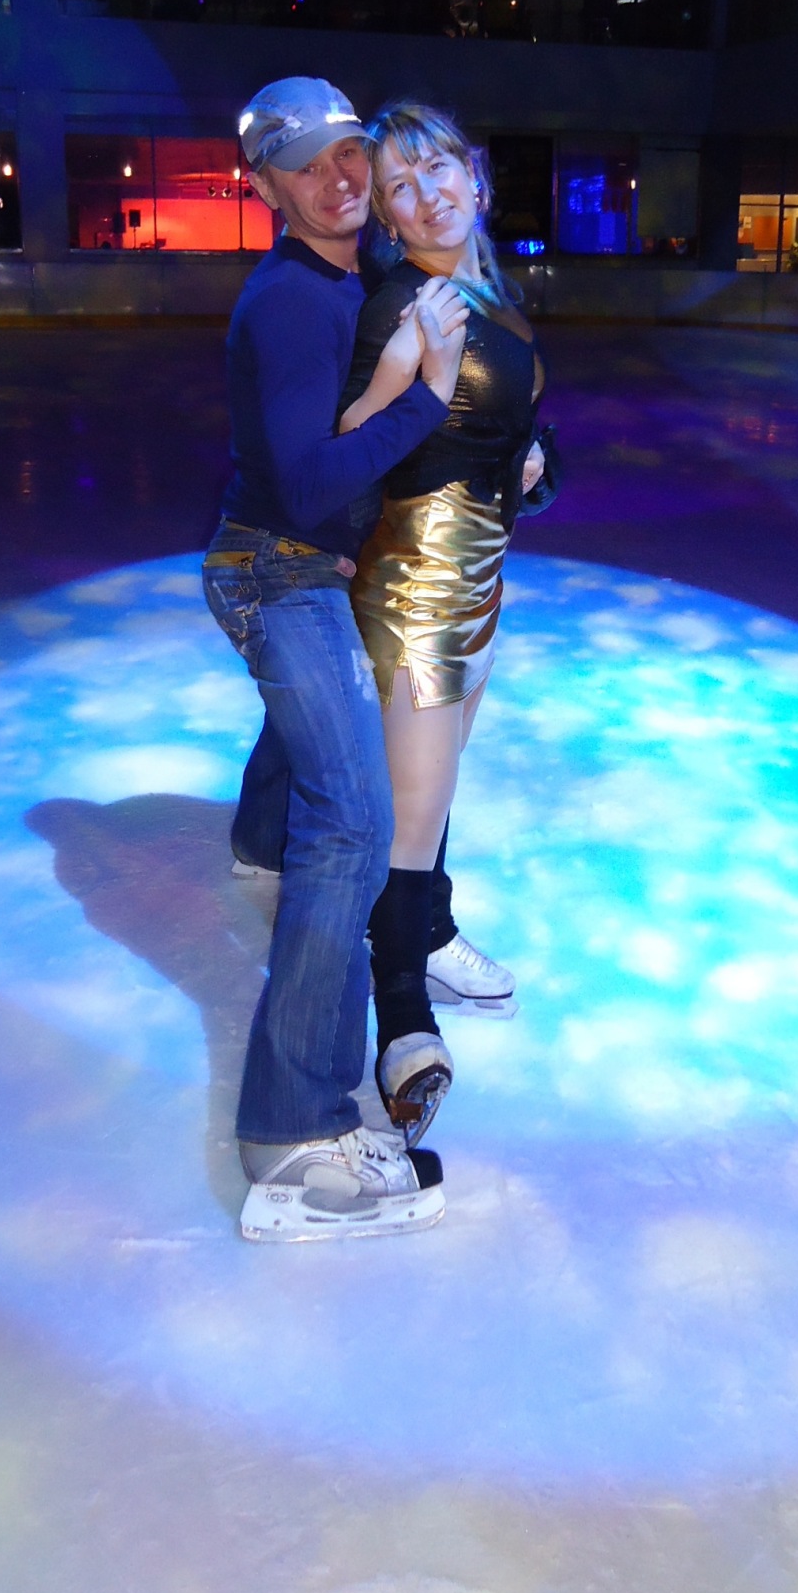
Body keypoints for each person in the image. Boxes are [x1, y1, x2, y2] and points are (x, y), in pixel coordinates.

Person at [202, 75, 469, 1243]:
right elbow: (312, 483)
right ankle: (293, 1136)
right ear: (264, 183)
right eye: (308, 163)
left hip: (303, 555)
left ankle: (260, 836)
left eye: (350, 151)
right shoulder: (290, 303)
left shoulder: (345, 277)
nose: (341, 176)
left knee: (325, 736)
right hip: (279, 568)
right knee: (354, 822)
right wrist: (429, 402)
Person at [340, 100, 552, 1144]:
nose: (426, 196)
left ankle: (430, 927)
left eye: (436, 170)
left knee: (433, 791)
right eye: (399, 187)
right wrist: (400, 373)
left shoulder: (492, 296)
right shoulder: (401, 305)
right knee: (410, 816)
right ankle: (401, 1021)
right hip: (416, 588)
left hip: (479, 579)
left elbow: (500, 420)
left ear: (474, 171)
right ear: (385, 215)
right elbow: (345, 444)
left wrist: (533, 460)